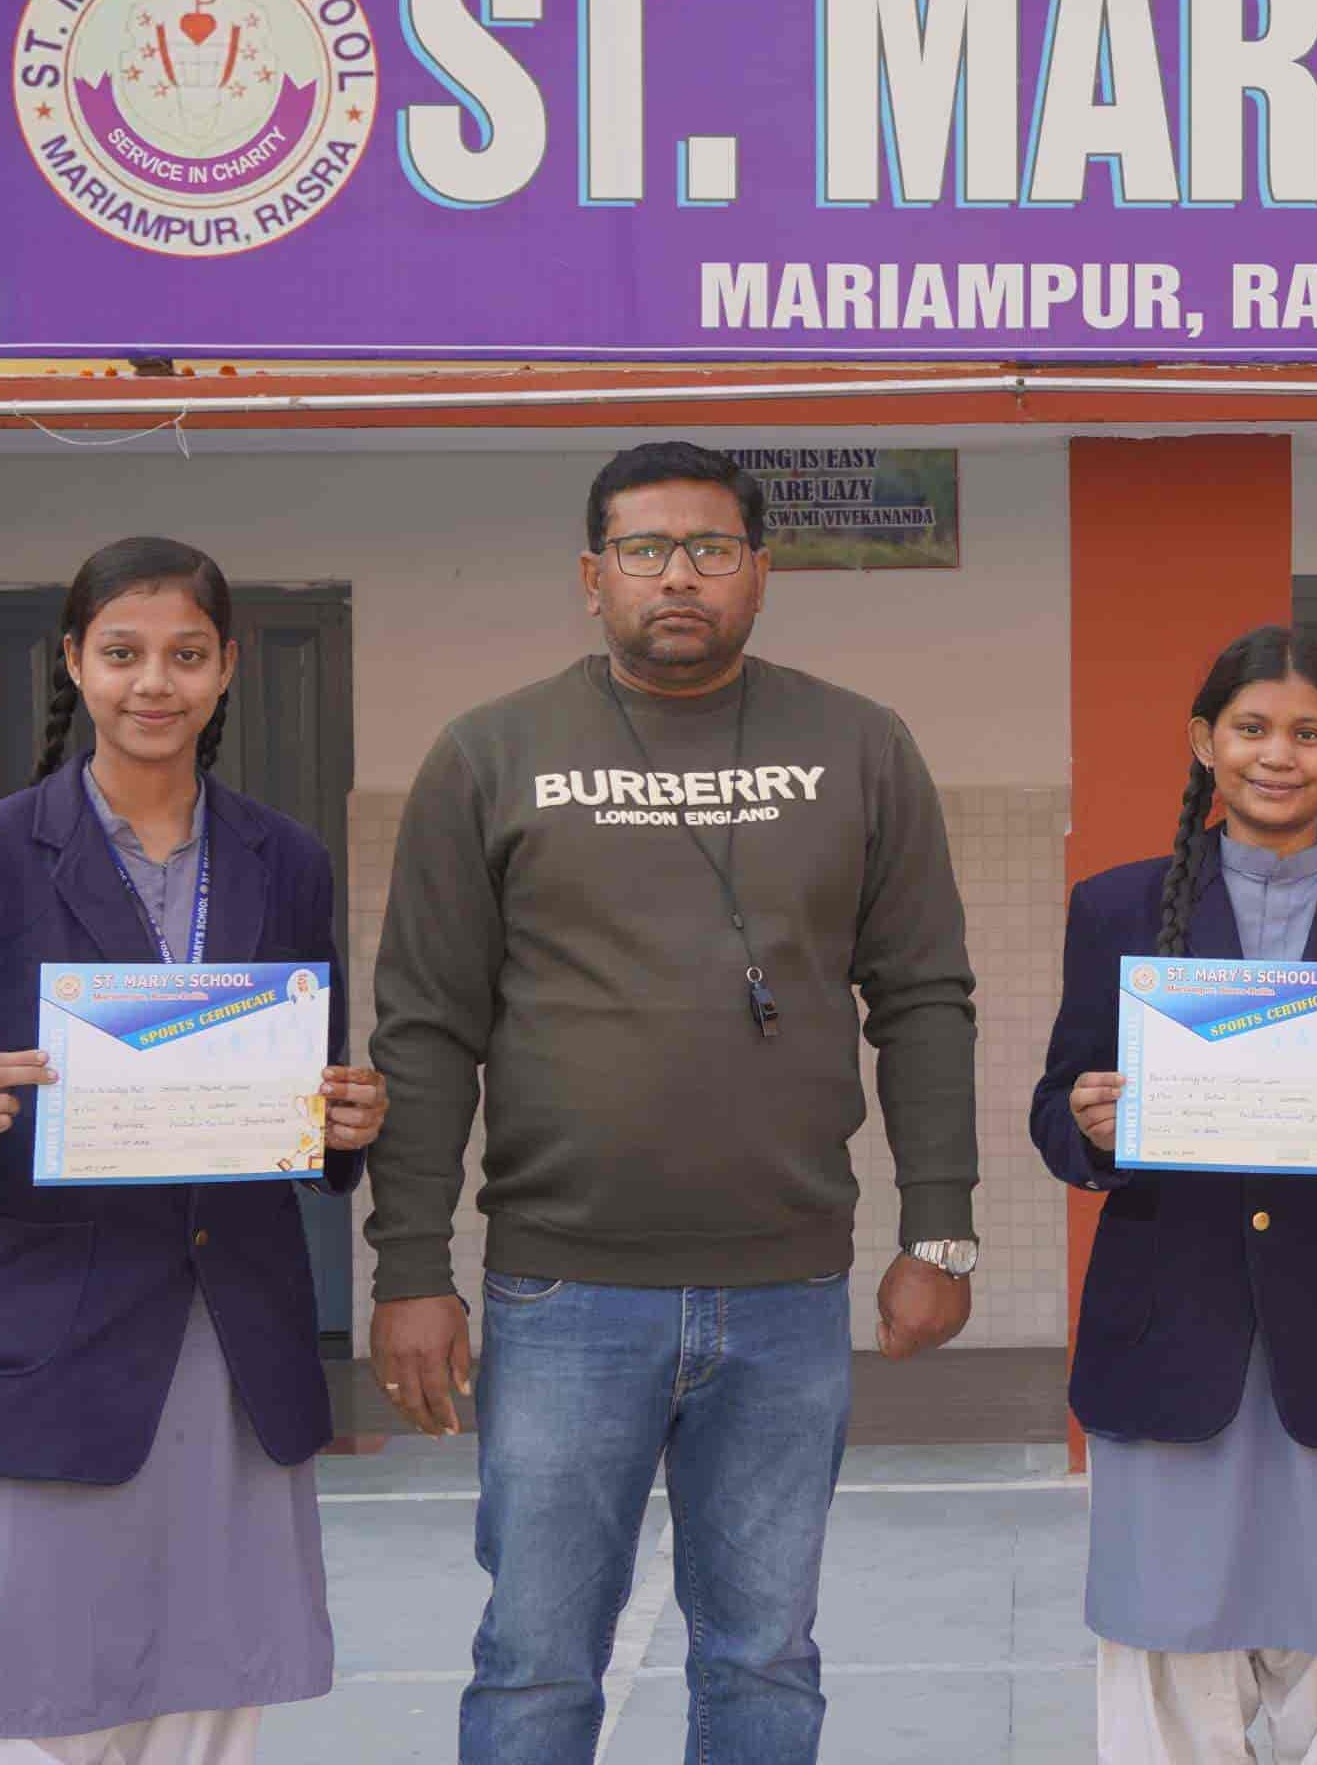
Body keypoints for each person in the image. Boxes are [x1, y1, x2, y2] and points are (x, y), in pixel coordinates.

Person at [367, 440, 981, 1764]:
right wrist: (410, 1264)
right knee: (536, 1666)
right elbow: (424, 1027)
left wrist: (941, 1232)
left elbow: (926, 998)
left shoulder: (860, 745)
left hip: (787, 1291)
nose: (679, 575)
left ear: (760, 572)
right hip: (563, 1291)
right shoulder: (489, 753)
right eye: (644, 550)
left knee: (763, 1660)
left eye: (710, 548)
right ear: (593, 577)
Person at [0, 536, 389, 1764]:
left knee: (206, 1707)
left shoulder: (286, 860)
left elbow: (306, 1080)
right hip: (43, 1347)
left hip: (228, 1347)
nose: (156, 682)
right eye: (124, 652)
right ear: (75, 663)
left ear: (227, 667)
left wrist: (343, 1122)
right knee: (23, 1712)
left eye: (187, 655)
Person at [1033, 625, 1317, 1765]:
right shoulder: (1115, 910)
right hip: (1172, 1340)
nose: (1278, 754)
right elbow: (1054, 1110)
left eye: (1308, 733)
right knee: (1168, 1664)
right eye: (1251, 728)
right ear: (1204, 742)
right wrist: (1087, 1121)